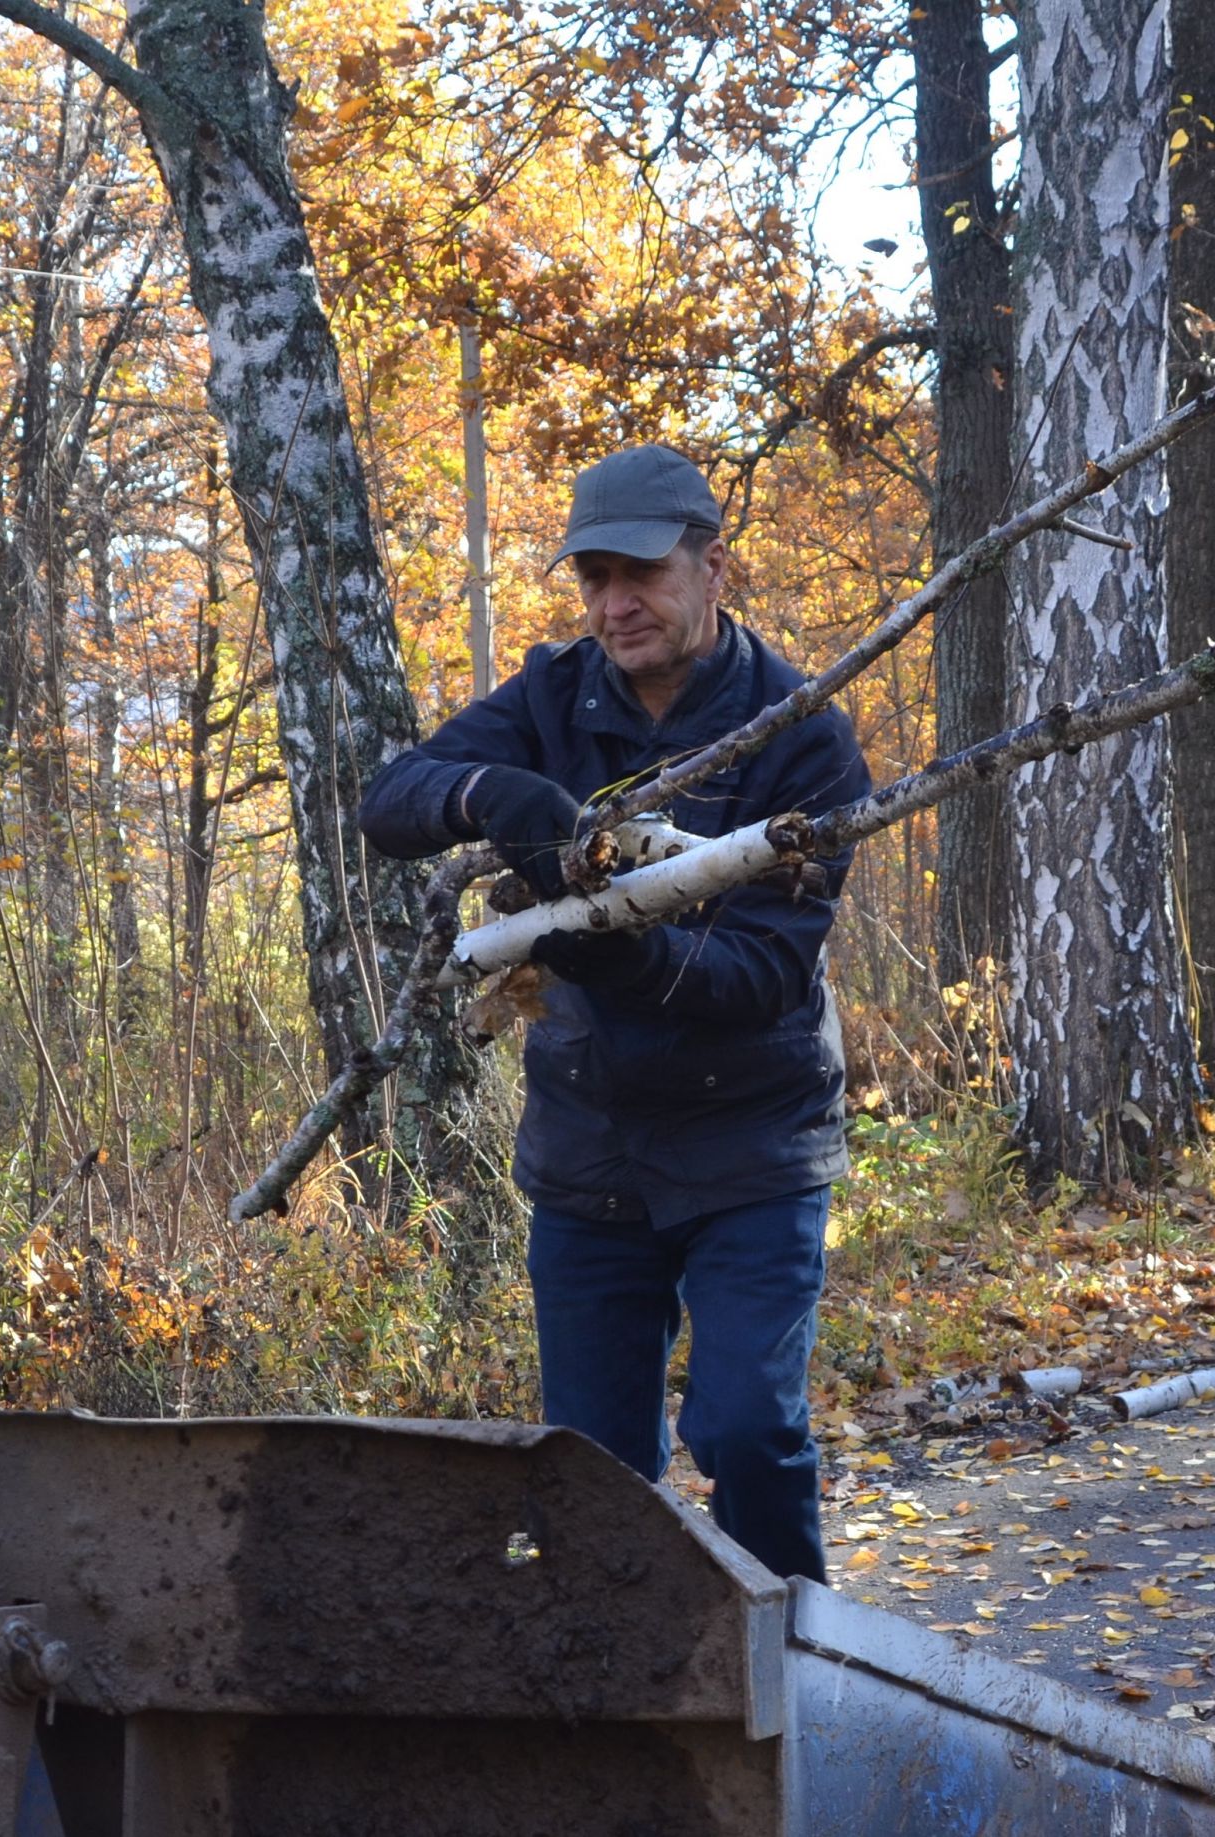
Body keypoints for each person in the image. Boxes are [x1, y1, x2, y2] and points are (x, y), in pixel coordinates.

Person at [357, 444, 868, 1581]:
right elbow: (387, 803)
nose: (614, 604)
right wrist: (489, 791)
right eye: (593, 578)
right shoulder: (553, 694)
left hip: (754, 1141)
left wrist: (604, 943)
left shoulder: (804, 735)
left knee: (745, 1431)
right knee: (590, 1475)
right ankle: (629, 1700)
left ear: (712, 568)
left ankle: (797, 1665)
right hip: (591, 1153)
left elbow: (760, 978)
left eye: (640, 573)